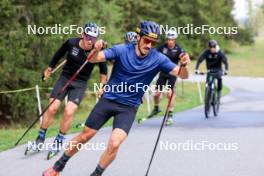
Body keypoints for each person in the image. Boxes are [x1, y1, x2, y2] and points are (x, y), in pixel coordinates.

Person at [43, 20, 190, 176]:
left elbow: (182, 75)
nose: (149, 45)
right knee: (85, 135)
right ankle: (58, 167)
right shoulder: (122, 50)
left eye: (153, 42)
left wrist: (184, 65)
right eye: (146, 40)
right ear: (138, 37)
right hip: (108, 101)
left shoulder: (158, 58)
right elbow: (94, 58)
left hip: (128, 107)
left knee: (114, 143)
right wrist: (95, 48)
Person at [30, 22, 108, 158]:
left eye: (94, 38)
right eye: (88, 37)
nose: (91, 41)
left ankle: (59, 141)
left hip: (80, 84)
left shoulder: (97, 51)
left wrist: (102, 86)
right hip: (64, 79)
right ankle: (40, 138)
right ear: (82, 35)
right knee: (52, 108)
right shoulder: (72, 43)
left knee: (69, 111)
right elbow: (58, 54)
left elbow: (103, 72)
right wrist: (49, 69)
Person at [147, 29, 188, 125]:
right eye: (168, 39)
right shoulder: (162, 48)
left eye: (172, 39)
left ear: (175, 40)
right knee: (157, 94)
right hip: (163, 73)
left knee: (170, 93)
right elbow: (153, 54)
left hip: (173, 74)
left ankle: (170, 115)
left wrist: (184, 59)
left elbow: (183, 56)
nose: (170, 41)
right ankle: (156, 108)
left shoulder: (178, 49)